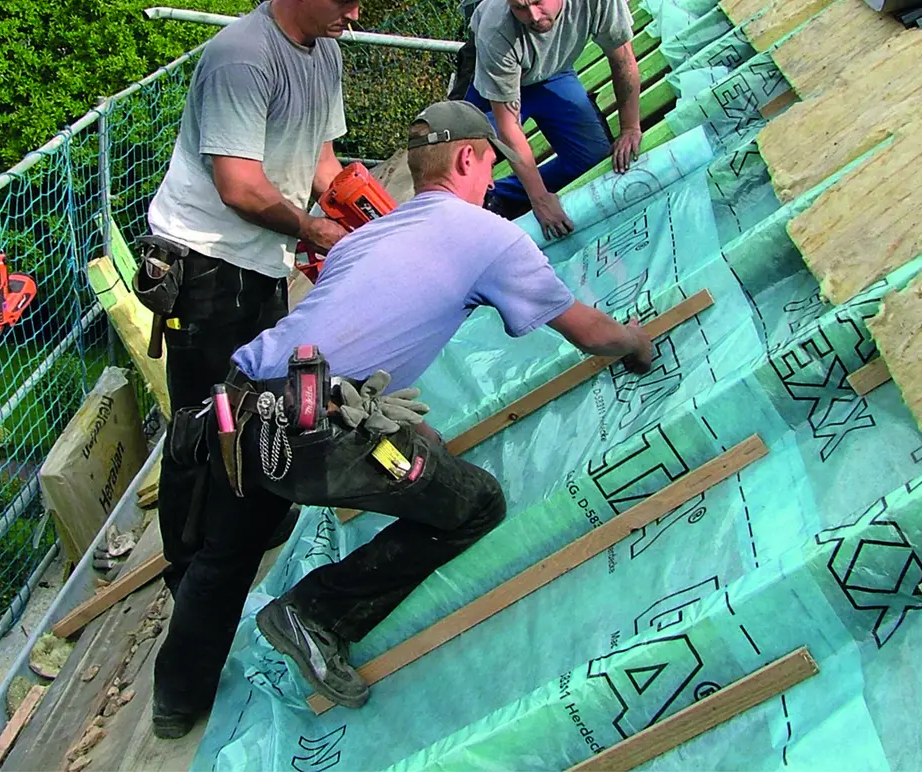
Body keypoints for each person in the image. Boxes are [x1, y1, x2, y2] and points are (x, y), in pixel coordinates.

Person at [150, 101, 656, 735]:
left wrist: (411, 435)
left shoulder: (370, 236)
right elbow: (588, 332)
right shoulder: (490, 237)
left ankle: (175, 705)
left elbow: (365, 339)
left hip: (240, 402)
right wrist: (635, 341)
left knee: (227, 554)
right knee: (473, 504)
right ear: (469, 157)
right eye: (490, 162)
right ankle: (315, 615)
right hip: (317, 431)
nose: (489, 175)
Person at [141, 0, 397, 593]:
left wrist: (353, 214)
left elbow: (319, 158)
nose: (355, 14)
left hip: (258, 258)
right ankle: (186, 567)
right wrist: (315, 234)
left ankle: (248, 515)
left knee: (256, 395)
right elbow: (239, 187)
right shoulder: (242, 58)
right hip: (203, 263)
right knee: (203, 416)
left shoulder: (323, 52)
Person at [466, 0, 643, 240]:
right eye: (521, 8)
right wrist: (539, 199)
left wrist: (630, 127)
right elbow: (509, 126)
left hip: (554, 73)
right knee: (467, 164)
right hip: (497, 86)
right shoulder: (496, 30)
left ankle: (508, 194)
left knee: (593, 157)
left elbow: (622, 60)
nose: (533, 16)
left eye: (538, 2)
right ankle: (492, 202)